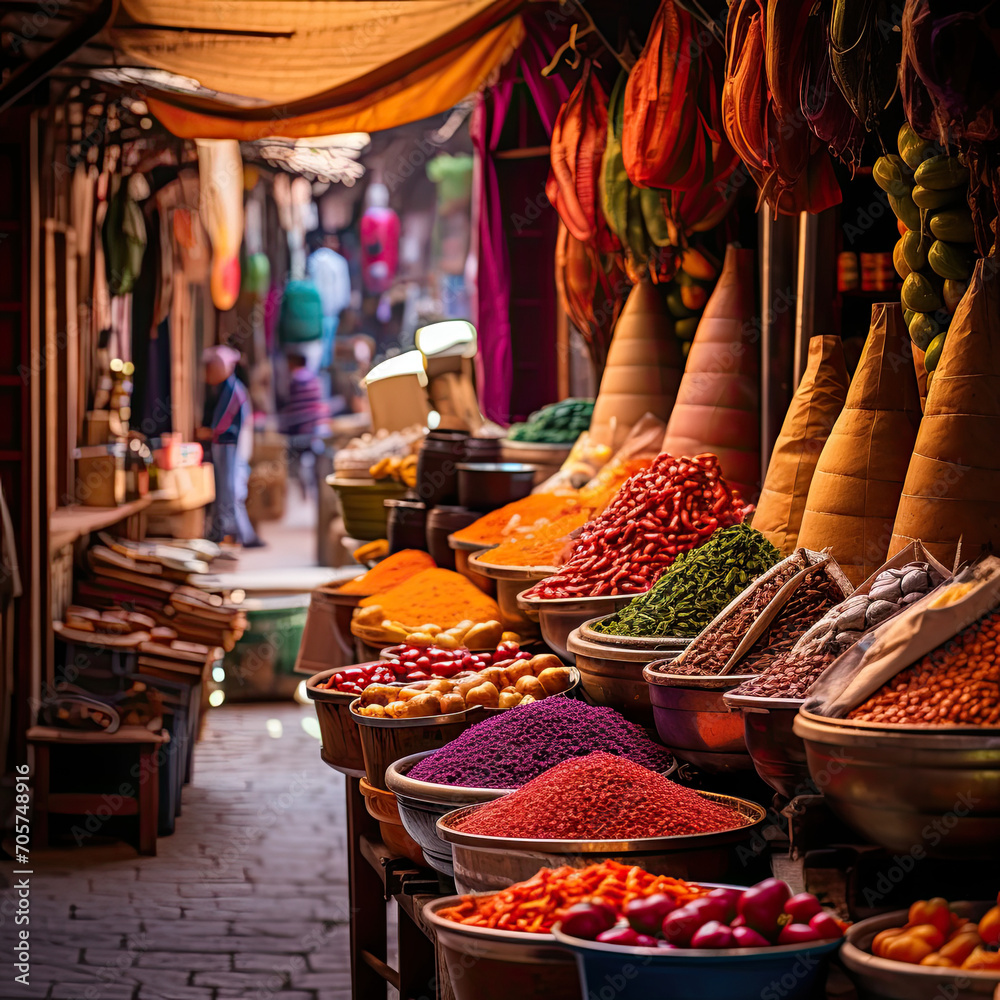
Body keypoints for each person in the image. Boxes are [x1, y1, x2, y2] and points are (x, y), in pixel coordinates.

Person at [199, 345, 263, 548]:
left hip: (230, 448)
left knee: (230, 490)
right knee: (227, 491)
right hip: (226, 447)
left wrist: (207, 433)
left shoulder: (232, 390)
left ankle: (235, 535)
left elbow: (223, 423)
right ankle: (230, 534)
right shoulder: (226, 388)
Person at [305, 230, 351, 381]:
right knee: (325, 348)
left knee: (317, 346)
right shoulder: (338, 262)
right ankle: (321, 378)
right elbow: (343, 291)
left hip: (315, 312)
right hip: (329, 312)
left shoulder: (313, 260)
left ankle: (316, 379)